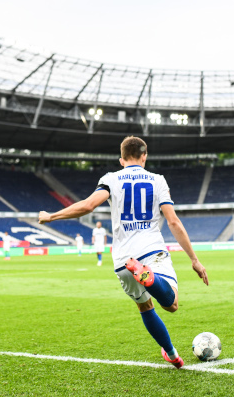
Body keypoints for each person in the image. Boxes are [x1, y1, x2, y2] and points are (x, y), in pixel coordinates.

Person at [39, 136, 208, 368]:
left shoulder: (110, 179)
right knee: (172, 304)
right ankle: (152, 279)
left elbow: (88, 206)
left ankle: (171, 353)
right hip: (151, 251)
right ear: (144, 156)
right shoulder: (158, 180)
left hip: (123, 259)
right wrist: (194, 260)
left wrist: (51, 216)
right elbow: (173, 222)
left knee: (145, 306)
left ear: (121, 160)